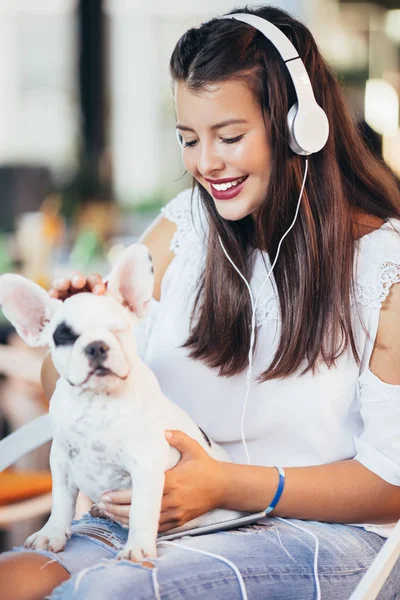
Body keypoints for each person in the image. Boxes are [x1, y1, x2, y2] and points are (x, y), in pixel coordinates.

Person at [1, 5, 400, 599]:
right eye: (189, 138)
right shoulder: (182, 231)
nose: (206, 164)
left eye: (230, 136)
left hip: (322, 536)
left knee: (107, 594)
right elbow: (58, 379)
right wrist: (79, 329)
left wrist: (224, 485)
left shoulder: (381, 269)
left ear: (299, 127)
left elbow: (390, 485)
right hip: (159, 520)